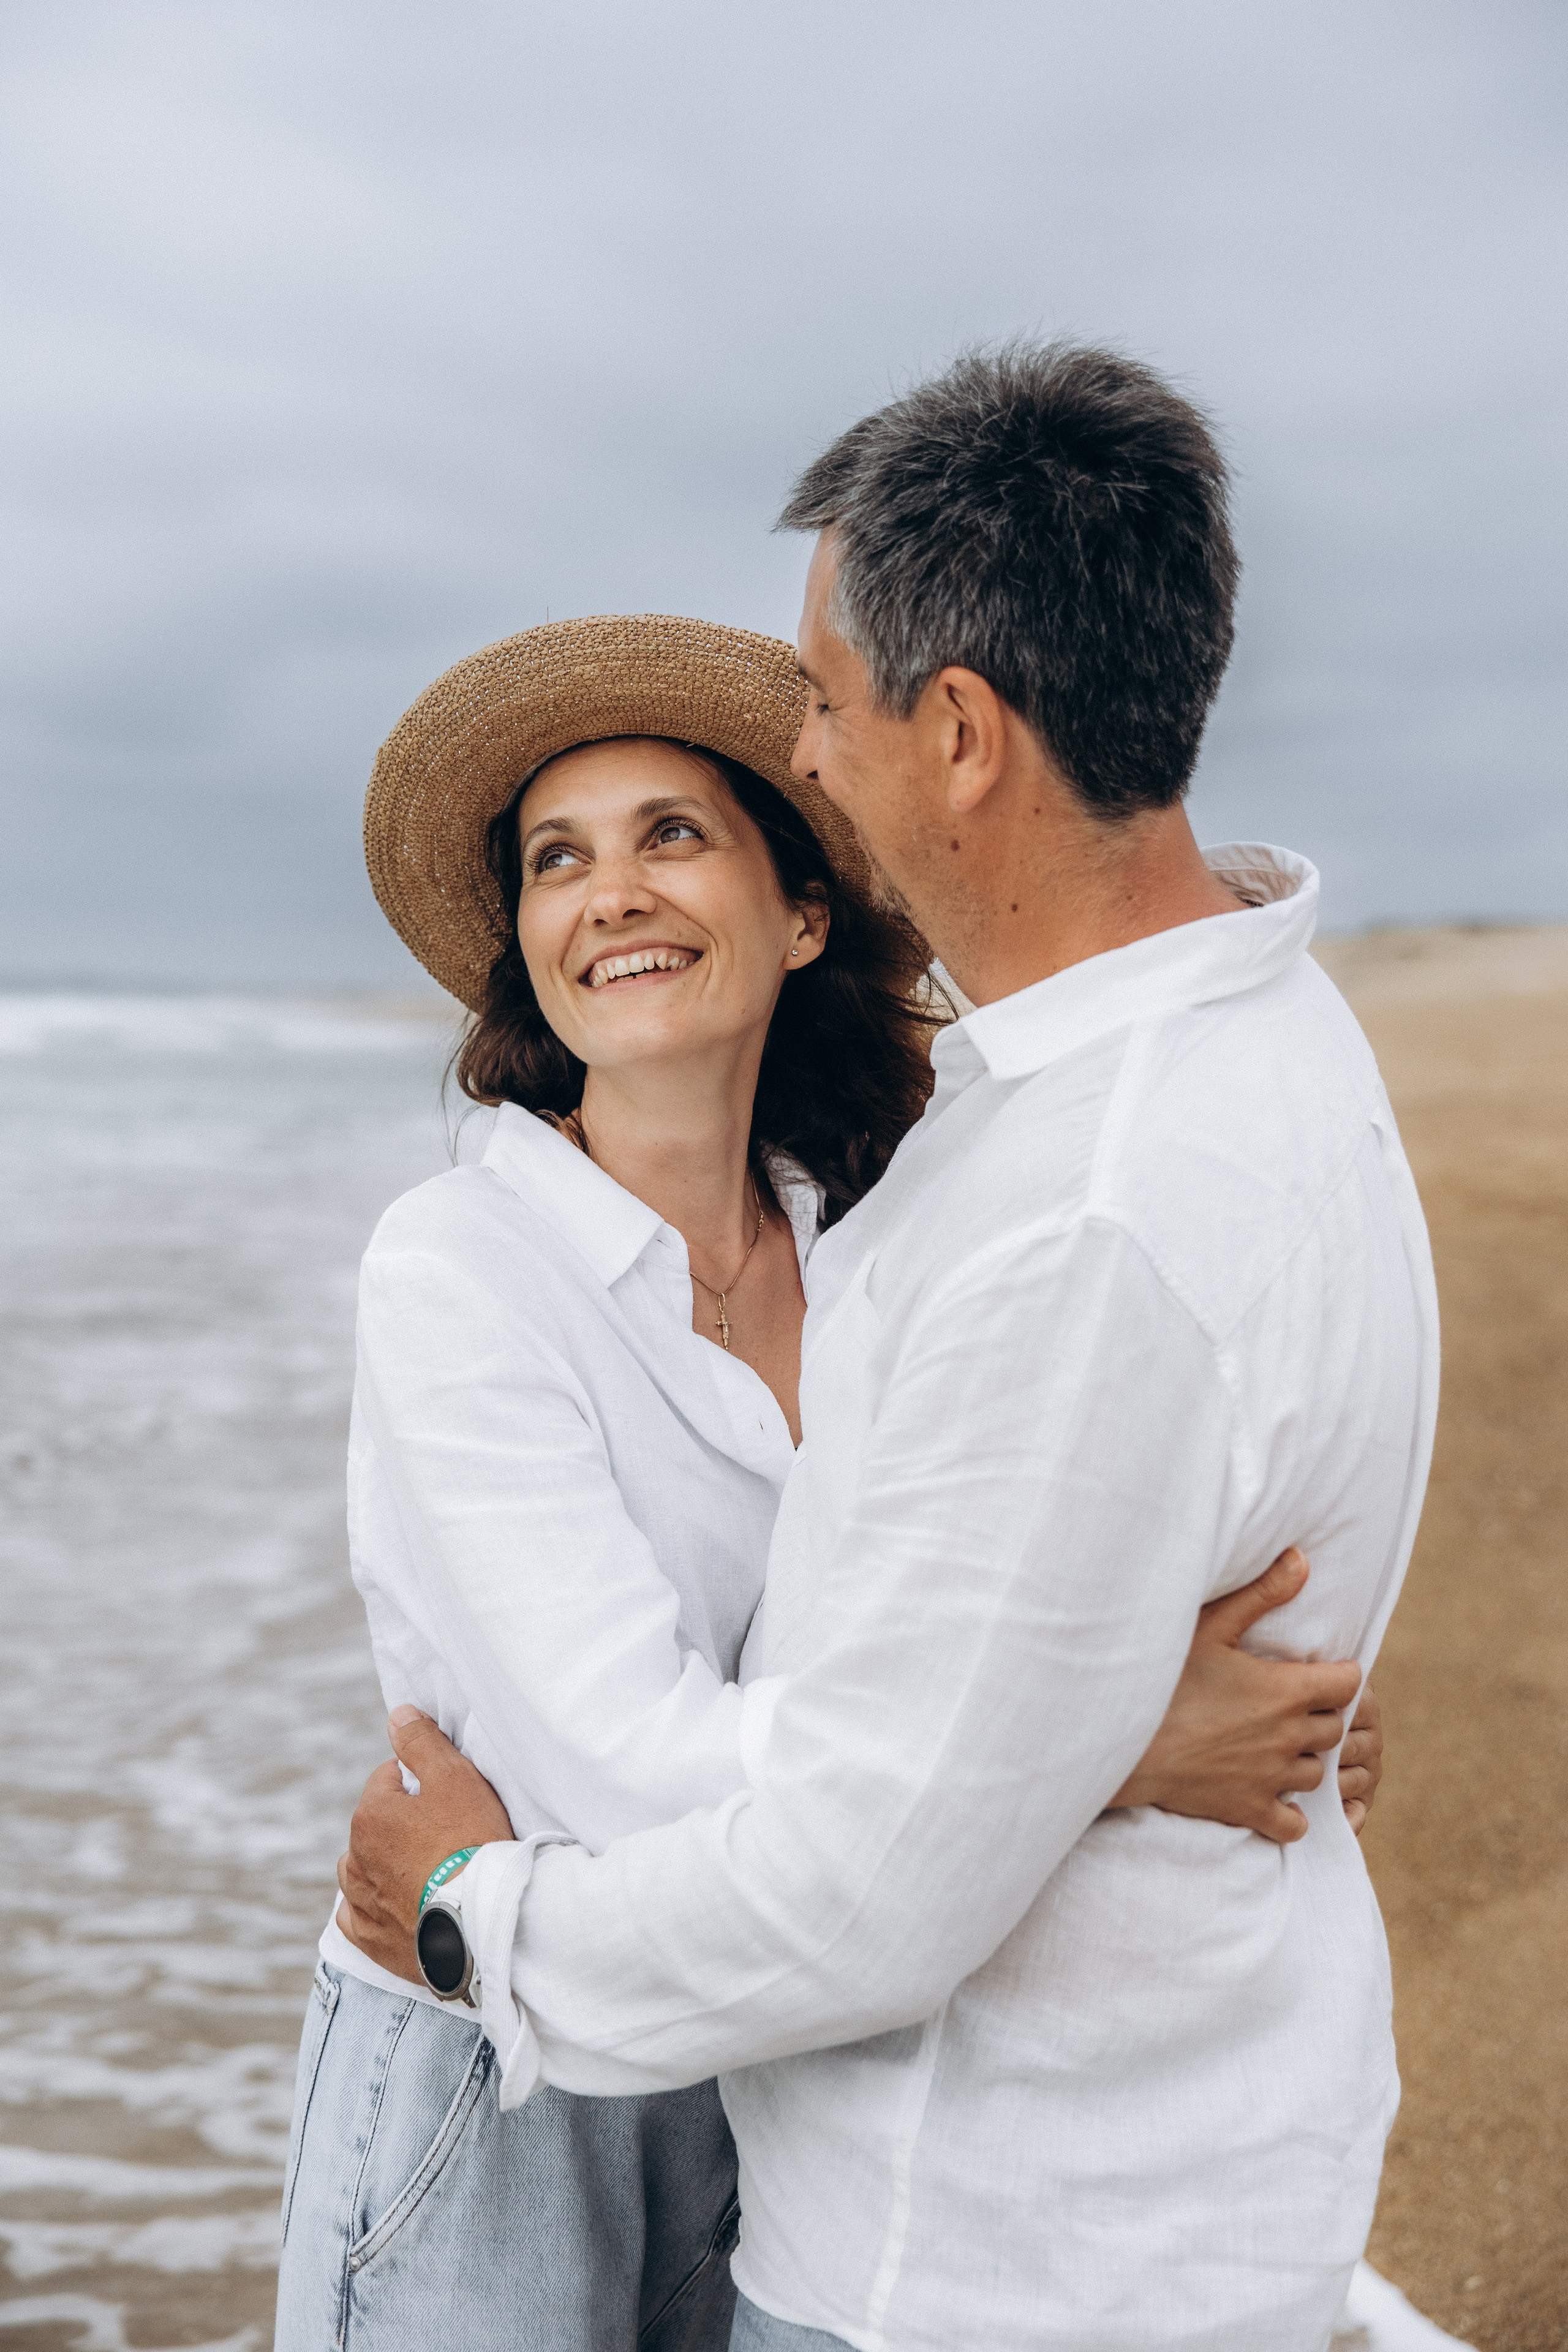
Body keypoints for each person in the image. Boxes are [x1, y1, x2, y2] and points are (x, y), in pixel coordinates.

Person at [339, 345, 1439, 2352]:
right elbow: (751, 1753)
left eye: (819, 720)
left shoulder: (975, 1212)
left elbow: (877, 1847)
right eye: (555, 859)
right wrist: (1104, 1742)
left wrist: (1046, 1750)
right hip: (558, 2093)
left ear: (952, 736)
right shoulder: (1163, 1098)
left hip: (937, 2198)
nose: (818, 761)